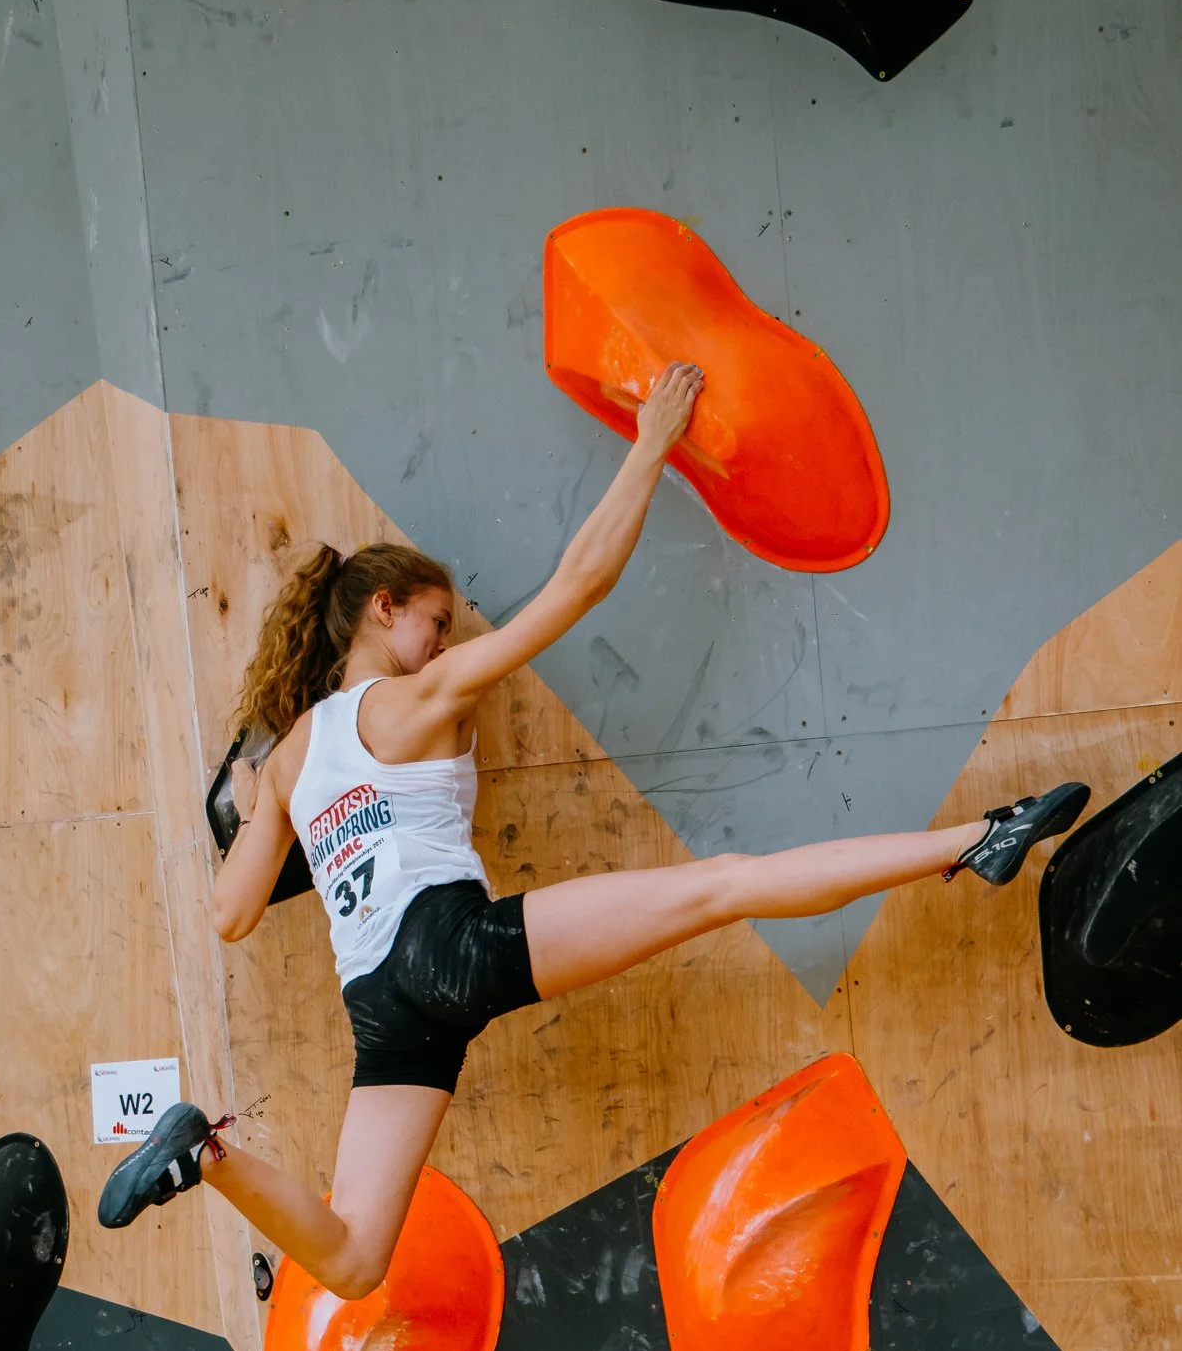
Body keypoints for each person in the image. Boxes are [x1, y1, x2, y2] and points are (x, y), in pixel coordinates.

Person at [99, 363, 1087, 1298]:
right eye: (435, 621)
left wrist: (247, 791)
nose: (446, 644)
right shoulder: (411, 697)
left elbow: (231, 914)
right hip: (449, 946)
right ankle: (977, 836)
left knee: (354, 1261)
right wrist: (651, 440)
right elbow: (576, 585)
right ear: (382, 609)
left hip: (383, 1006)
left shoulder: (282, 765)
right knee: (722, 885)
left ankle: (206, 1153)